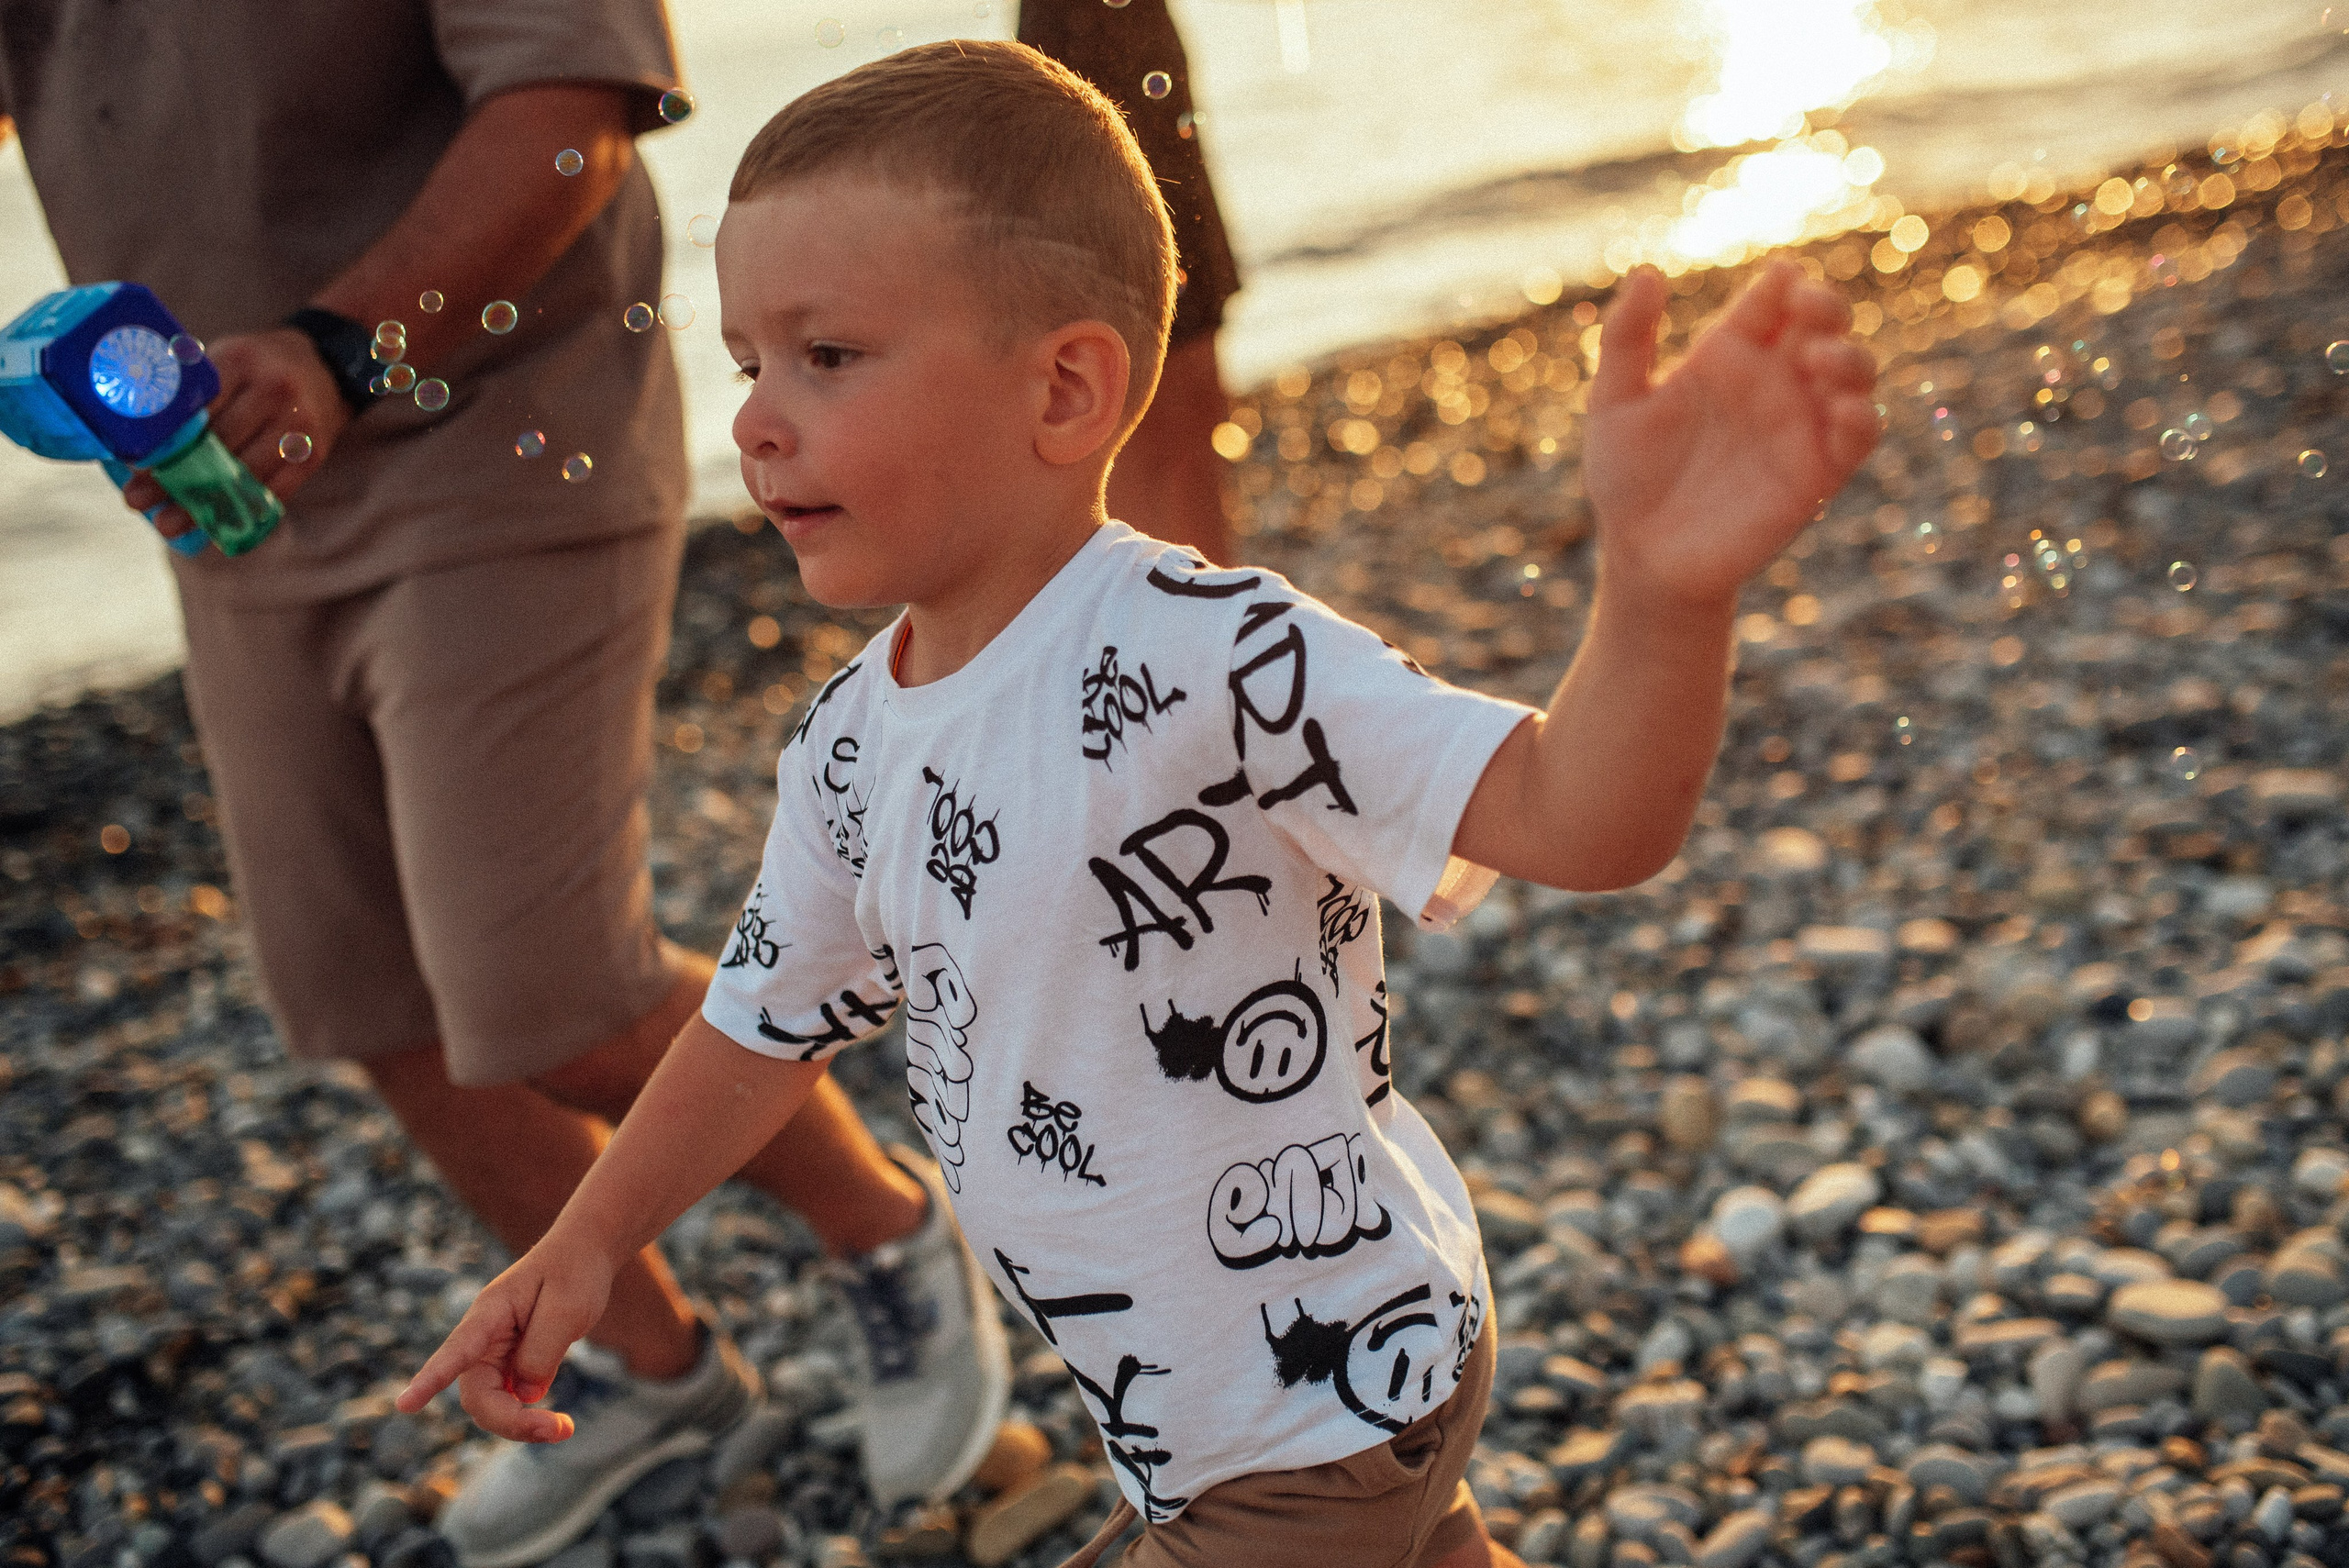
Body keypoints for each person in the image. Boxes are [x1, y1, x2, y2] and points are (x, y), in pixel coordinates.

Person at [397, 38, 1880, 1568]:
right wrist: (586, 1240)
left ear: (1066, 386)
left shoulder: (1214, 657)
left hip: (1318, 1393)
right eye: (747, 362)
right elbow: (765, 1023)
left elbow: (1580, 815)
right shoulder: (851, 743)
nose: (759, 420)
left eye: (828, 356)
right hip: (1189, 1409)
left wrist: (1662, 591)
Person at [0, 6, 1007, 1564]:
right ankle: (649, 1366)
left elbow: (572, 101)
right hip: (229, 481)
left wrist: (339, 347)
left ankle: (888, 1232)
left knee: (546, 986)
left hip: (498, 429)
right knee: (357, 987)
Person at [1019, 0, 1243, 566]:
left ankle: (1210, 602)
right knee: (1131, 416)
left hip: (1154, 125)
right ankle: (1163, 610)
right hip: (1091, 110)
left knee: (1192, 408)